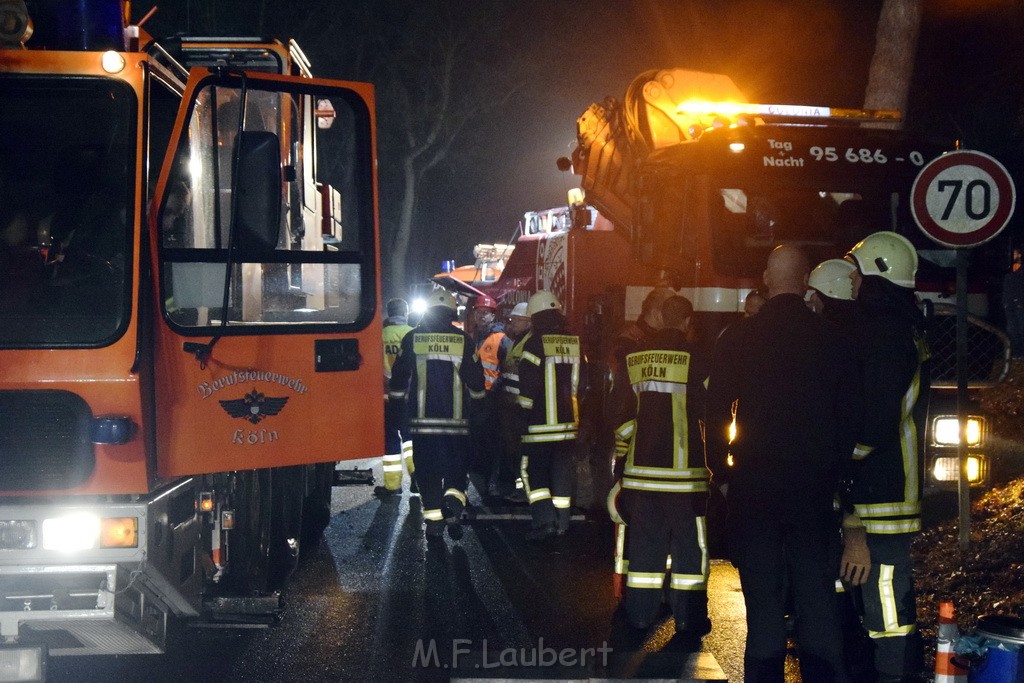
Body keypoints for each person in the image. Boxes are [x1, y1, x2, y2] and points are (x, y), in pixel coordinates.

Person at [706, 244, 861, 682]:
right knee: (817, 596)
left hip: (754, 486)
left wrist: (722, 473)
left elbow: (716, 410)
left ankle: (764, 673)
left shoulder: (738, 337)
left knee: (764, 601)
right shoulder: (835, 341)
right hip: (814, 488)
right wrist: (839, 479)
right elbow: (850, 420)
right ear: (807, 280)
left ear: (768, 279)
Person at [845, 231, 930, 682]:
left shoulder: (881, 334)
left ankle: (893, 672)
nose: (852, 283)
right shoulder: (900, 327)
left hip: (882, 484)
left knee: (884, 588)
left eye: (858, 274)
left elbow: (875, 420)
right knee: (880, 586)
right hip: (890, 481)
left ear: (876, 276)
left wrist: (844, 460)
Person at [611, 294, 712, 647]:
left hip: (642, 474)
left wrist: (624, 456)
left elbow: (621, 414)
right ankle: (689, 620)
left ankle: (639, 614)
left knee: (645, 547)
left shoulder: (635, 357)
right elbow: (711, 413)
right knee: (689, 549)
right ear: (686, 322)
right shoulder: (698, 358)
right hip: (686, 477)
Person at [389, 289, 485, 540]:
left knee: (428, 473)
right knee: (456, 471)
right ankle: (452, 506)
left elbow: (399, 380)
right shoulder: (464, 340)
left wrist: (397, 411)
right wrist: (480, 412)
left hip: (422, 425)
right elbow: (476, 383)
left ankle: (434, 523)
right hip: (457, 424)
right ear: (452, 312)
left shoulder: (412, 338)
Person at [517, 290, 583, 540]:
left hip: (539, 425)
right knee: (562, 473)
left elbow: (528, 386)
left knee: (532, 472)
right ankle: (562, 523)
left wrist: (522, 416)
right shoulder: (574, 342)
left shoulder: (533, 344)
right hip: (568, 425)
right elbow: (582, 384)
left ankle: (544, 521)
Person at [467, 294, 512, 497]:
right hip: (478, 398)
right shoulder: (476, 337)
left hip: (494, 399)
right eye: (478, 312)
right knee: (481, 440)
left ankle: (494, 484)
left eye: (485, 313)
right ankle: (483, 480)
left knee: (493, 442)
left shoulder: (501, 339)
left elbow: (509, 369)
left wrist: (496, 388)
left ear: (493, 316)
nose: (481, 316)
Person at [379, 298, 415, 496]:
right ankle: (417, 476)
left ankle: (392, 486)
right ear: (405, 312)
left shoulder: (379, 335)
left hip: (384, 396)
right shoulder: (412, 334)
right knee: (410, 439)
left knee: (390, 438)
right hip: (409, 396)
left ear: (389, 313)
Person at [499, 301, 533, 503]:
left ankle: (523, 491)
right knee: (514, 450)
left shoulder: (528, 342)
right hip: (511, 405)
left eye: (516, 320)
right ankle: (521, 488)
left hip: (521, 407)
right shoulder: (517, 341)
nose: (512, 324)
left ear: (528, 321)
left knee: (521, 452)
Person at [1003, 247, 1024, 358]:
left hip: (1018, 304)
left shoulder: (1017, 273)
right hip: (1011, 305)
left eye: (1015, 253)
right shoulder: (1011, 272)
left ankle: (1019, 353)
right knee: (1012, 330)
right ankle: (1016, 353)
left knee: (1019, 329)